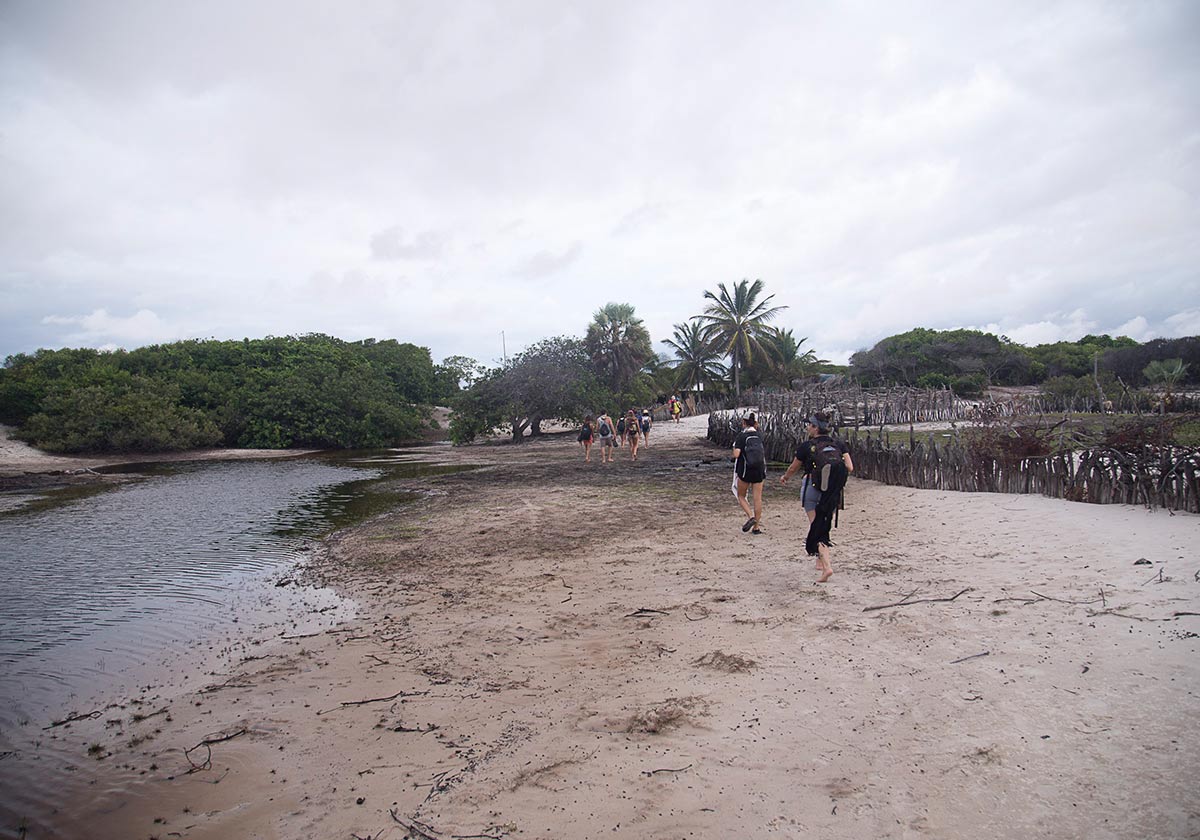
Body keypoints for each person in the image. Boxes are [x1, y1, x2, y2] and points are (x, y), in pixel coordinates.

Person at [780, 412, 853, 582]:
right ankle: (820, 562)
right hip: (832, 491)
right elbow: (849, 467)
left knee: (817, 527)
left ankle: (826, 567)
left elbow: (793, 468)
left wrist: (785, 478)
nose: (807, 428)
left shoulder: (807, 446)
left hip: (811, 488)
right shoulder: (838, 444)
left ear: (815, 428)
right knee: (823, 523)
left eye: (809, 425)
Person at [732, 413, 767, 534]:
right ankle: (756, 527)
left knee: (741, 496)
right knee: (757, 498)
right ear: (756, 423)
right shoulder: (760, 435)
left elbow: (736, 454)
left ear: (743, 423)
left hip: (745, 470)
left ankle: (751, 516)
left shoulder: (741, 436)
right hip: (759, 469)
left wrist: (734, 448)